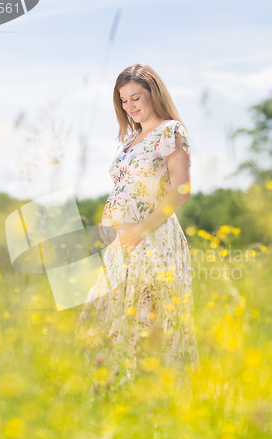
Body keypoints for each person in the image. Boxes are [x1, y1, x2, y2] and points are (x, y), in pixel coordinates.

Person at [74, 63, 200, 382]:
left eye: (136, 97)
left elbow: (182, 188)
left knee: (148, 326)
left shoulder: (170, 130)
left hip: (153, 240)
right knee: (102, 316)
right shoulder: (131, 139)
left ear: (153, 94)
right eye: (123, 100)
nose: (130, 106)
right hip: (121, 246)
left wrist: (141, 230)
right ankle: (108, 396)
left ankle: (155, 405)